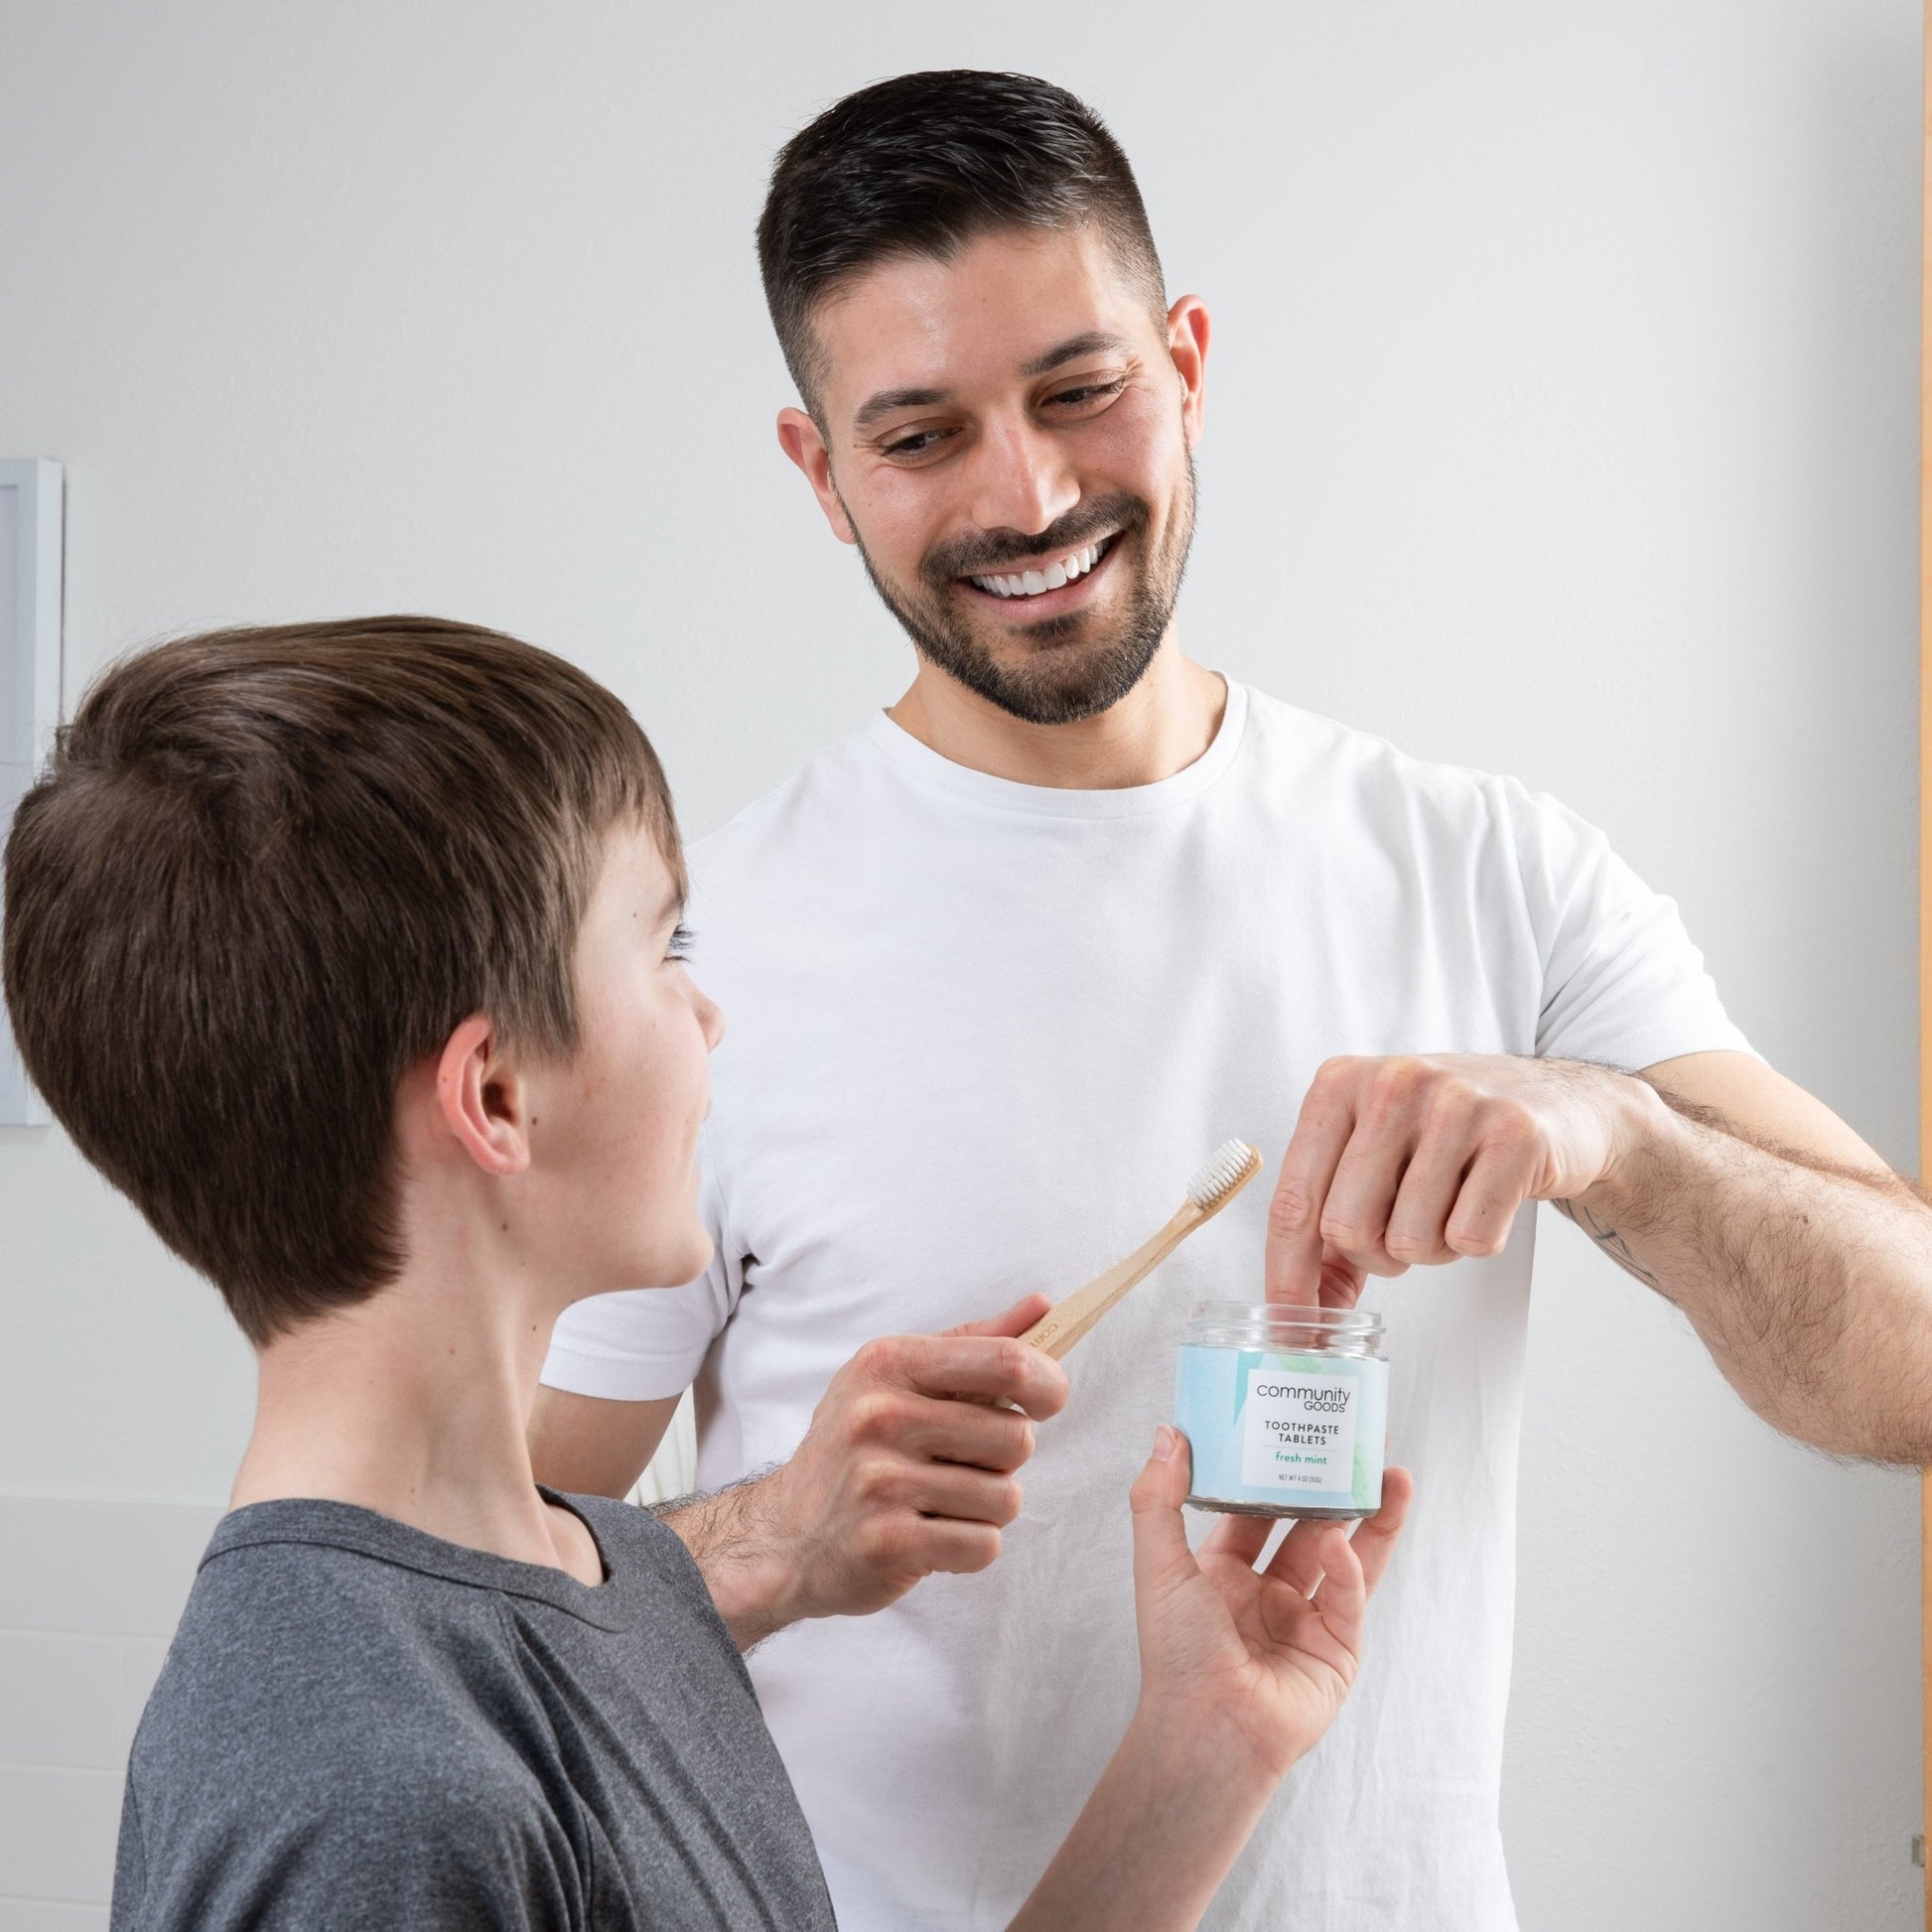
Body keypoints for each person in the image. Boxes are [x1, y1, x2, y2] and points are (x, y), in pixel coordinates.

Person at [528, 68, 1932, 1932]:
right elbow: (455, 1610)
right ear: (819, 471)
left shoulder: (1493, 872)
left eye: (1079, 388)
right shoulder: (696, 964)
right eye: (920, 433)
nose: (1024, 495)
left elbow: (1909, 1378)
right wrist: (773, 1536)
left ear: (1186, 359)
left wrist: (1622, 1139)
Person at [1, 616, 1409, 1931]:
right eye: (665, 945)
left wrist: (1202, 1745)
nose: (711, 1011)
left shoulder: (609, 1577)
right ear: (495, 1095)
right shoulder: (374, 1796)